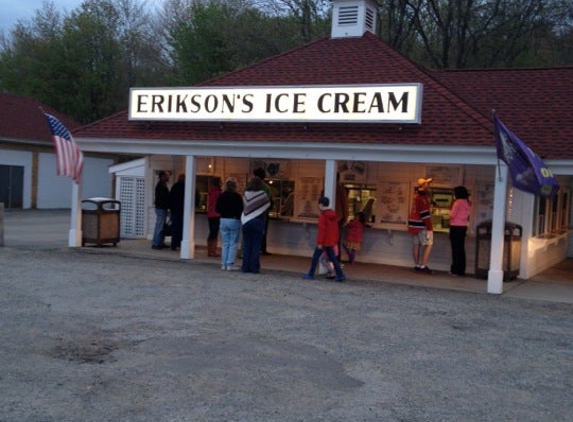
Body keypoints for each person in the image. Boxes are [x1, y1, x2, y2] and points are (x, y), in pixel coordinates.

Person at [302, 196, 346, 282]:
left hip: (324, 242)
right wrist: (334, 241)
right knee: (333, 259)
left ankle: (311, 274)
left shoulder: (323, 216)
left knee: (315, 258)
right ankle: (340, 274)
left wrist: (319, 242)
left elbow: (322, 230)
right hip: (330, 242)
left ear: (321, 205)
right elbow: (335, 230)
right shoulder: (333, 215)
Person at [241, 176, 271, 274]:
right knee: (256, 247)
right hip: (258, 222)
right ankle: (254, 268)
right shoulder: (263, 194)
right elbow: (268, 205)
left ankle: (245, 267)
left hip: (246, 222)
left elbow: (245, 207)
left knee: (247, 246)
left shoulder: (245, 194)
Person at [215, 177, 243, 270]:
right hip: (234, 220)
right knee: (233, 243)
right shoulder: (237, 196)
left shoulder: (222, 195)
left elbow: (217, 209)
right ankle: (230, 264)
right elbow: (241, 209)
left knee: (225, 243)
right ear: (235, 186)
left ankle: (223, 264)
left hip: (223, 219)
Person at [408, 177, 434, 274]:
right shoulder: (422, 198)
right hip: (421, 225)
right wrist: (430, 227)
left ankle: (417, 265)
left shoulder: (415, 195)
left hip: (413, 224)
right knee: (429, 244)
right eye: (427, 183)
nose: (429, 185)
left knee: (416, 245)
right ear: (423, 185)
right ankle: (423, 265)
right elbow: (424, 214)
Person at [449, 186, 472, 277]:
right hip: (463, 227)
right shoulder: (468, 202)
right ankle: (461, 270)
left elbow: (452, 215)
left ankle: (455, 270)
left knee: (455, 249)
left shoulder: (457, 202)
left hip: (455, 226)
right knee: (461, 249)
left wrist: (449, 216)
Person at [253, 167, 273, 255]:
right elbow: (268, 200)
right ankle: (262, 248)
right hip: (262, 211)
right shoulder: (266, 187)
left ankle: (253, 247)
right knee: (262, 230)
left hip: (251, 211)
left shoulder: (250, 186)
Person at [152, 170, 171, 250]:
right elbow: (163, 197)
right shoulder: (161, 185)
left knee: (161, 226)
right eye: (167, 175)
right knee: (159, 226)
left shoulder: (162, 184)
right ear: (163, 176)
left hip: (161, 207)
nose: (168, 177)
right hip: (161, 208)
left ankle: (160, 242)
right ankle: (156, 243)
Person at [207, 177, 222, 257]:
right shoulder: (218, 192)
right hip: (216, 214)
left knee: (211, 232)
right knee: (214, 233)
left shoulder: (211, 191)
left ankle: (209, 250)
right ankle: (213, 251)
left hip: (210, 214)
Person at [169, 173, 185, 251]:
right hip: (183, 210)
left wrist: (171, 209)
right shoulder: (187, 187)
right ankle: (181, 244)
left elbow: (170, 198)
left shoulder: (174, 186)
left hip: (175, 210)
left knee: (175, 228)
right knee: (182, 228)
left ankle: (174, 245)